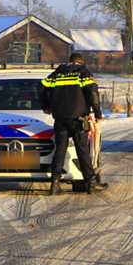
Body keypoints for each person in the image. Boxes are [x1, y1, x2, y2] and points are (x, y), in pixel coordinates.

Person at [38, 52, 107, 195]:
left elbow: (41, 87)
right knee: (82, 150)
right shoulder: (82, 73)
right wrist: (97, 112)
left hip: (60, 119)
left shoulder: (57, 74)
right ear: (81, 62)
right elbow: (93, 92)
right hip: (78, 118)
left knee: (60, 150)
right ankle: (90, 183)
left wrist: (46, 106)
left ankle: (55, 184)